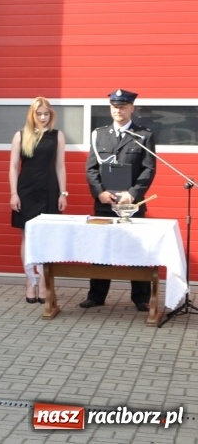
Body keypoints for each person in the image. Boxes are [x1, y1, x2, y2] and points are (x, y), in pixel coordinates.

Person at [81, 89, 156, 312]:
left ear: (132, 108)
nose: (118, 110)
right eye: (115, 106)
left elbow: (149, 169)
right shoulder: (99, 134)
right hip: (104, 203)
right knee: (100, 250)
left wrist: (132, 193)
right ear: (110, 108)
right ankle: (96, 295)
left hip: (131, 205)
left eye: (123, 106)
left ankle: (141, 298)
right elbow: (91, 169)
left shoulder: (144, 135)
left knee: (137, 250)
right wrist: (100, 192)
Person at [9, 97, 67, 304]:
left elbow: (60, 166)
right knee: (27, 236)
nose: (43, 117)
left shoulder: (57, 136)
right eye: (39, 114)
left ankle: (43, 282)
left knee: (47, 237)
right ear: (32, 115)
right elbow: (14, 167)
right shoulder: (20, 135)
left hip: (50, 190)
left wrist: (63, 193)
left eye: (46, 114)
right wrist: (13, 194)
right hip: (26, 191)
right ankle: (29, 281)